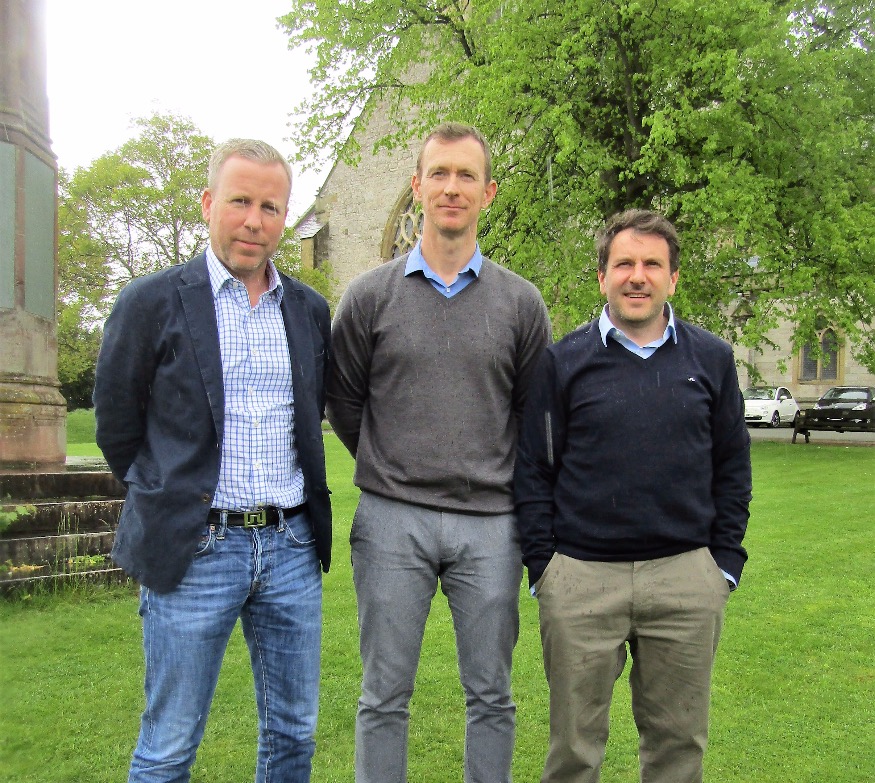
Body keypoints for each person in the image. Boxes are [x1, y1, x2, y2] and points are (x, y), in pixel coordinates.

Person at [93, 138, 333, 783]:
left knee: (293, 734)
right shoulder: (150, 302)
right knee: (169, 745)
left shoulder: (308, 310)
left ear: (285, 217)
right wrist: (167, 495)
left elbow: (312, 415)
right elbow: (116, 425)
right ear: (208, 203)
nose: (254, 220)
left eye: (270, 207)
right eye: (239, 202)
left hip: (289, 546)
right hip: (196, 548)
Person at [327, 122, 551, 783]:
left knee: (491, 695)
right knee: (382, 696)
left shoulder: (521, 302)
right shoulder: (369, 296)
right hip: (391, 520)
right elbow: (344, 401)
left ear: (488, 193)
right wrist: (391, 461)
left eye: (466, 176)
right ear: (417, 186)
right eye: (440, 174)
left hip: (491, 526)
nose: (452, 188)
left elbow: (531, 413)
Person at [514, 209, 751, 783]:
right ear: (602, 277)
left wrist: (722, 565)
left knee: (677, 749)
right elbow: (534, 469)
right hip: (582, 579)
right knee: (573, 751)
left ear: (673, 278)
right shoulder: (562, 361)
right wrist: (545, 569)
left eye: (652, 264)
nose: (637, 276)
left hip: (684, 578)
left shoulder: (711, 359)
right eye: (623, 264)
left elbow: (732, 466)